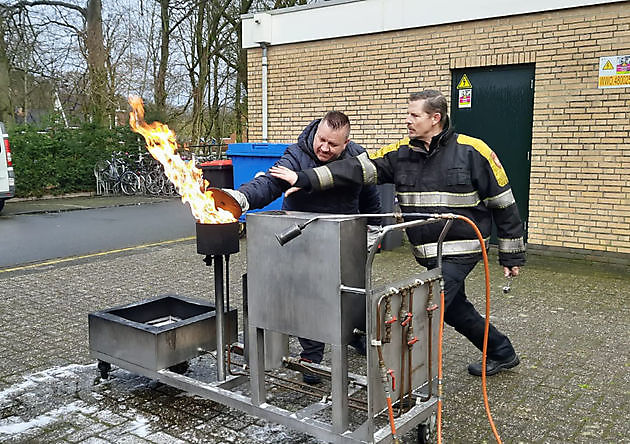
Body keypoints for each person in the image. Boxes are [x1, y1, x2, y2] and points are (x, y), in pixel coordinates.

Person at [270, 90, 525, 377]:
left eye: (414, 115)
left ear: (435, 118)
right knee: (455, 309)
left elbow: (503, 203)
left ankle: (401, 386)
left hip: (461, 250)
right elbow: (356, 169)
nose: (407, 120)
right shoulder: (400, 154)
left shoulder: (473, 151)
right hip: (427, 252)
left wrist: (511, 253)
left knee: (423, 311)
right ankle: (502, 351)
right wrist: (304, 179)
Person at [225, 111, 382, 384]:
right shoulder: (296, 154)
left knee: (352, 291)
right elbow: (271, 182)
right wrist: (243, 197)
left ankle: (358, 334)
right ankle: (312, 356)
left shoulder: (358, 157)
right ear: (316, 132)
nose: (324, 147)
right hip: (300, 236)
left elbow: (371, 195)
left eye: (333, 144)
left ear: (346, 143)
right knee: (306, 294)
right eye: (322, 139)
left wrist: (375, 230)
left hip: (343, 236)